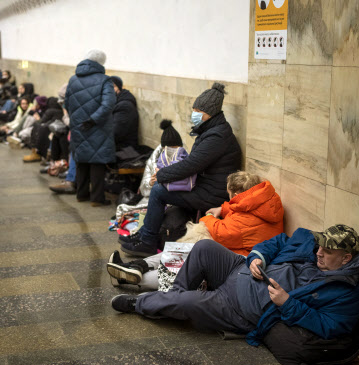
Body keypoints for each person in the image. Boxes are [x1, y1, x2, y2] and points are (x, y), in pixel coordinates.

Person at [111, 225, 359, 347]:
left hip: (240, 308)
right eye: (320, 247)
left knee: (189, 302)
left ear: (346, 258)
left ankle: (142, 304)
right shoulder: (311, 244)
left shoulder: (348, 291)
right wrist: (259, 257)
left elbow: (330, 326)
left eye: (327, 252)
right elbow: (277, 241)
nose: (319, 253)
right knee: (203, 247)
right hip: (240, 269)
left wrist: (288, 303)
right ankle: (171, 301)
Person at [120, 82, 242, 256]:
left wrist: (162, 175)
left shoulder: (217, 136)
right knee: (161, 189)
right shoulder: (213, 131)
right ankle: (144, 234)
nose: (194, 114)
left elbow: (192, 164)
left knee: (159, 190)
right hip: (205, 187)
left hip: (212, 194)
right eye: (194, 109)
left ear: (210, 113)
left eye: (198, 111)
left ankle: (147, 241)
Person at [107, 171, 284, 288]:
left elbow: (223, 231)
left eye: (229, 195)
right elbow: (239, 208)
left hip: (240, 263)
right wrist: (222, 209)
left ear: (237, 194)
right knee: (184, 251)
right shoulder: (262, 202)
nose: (229, 199)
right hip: (240, 253)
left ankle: (127, 276)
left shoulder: (247, 218)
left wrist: (209, 217)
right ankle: (136, 266)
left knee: (183, 266)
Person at [65, 49, 116, 207]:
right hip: (97, 126)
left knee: (81, 160)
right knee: (97, 162)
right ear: (101, 63)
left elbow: (67, 103)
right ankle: (97, 198)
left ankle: (81, 194)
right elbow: (108, 104)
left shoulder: (73, 79)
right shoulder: (105, 80)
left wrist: (77, 119)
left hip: (78, 125)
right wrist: (93, 120)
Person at [110, 76, 139, 150]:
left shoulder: (124, 107)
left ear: (119, 88)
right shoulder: (113, 102)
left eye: (112, 87)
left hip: (124, 149)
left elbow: (115, 134)